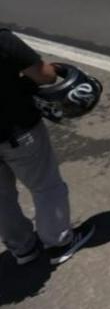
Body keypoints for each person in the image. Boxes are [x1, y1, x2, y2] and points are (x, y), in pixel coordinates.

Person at [0, 29, 95, 265]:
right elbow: (45, 76)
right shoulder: (3, 40)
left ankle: (22, 248)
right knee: (45, 187)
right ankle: (58, 243)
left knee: (2, 197)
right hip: (17, 130)